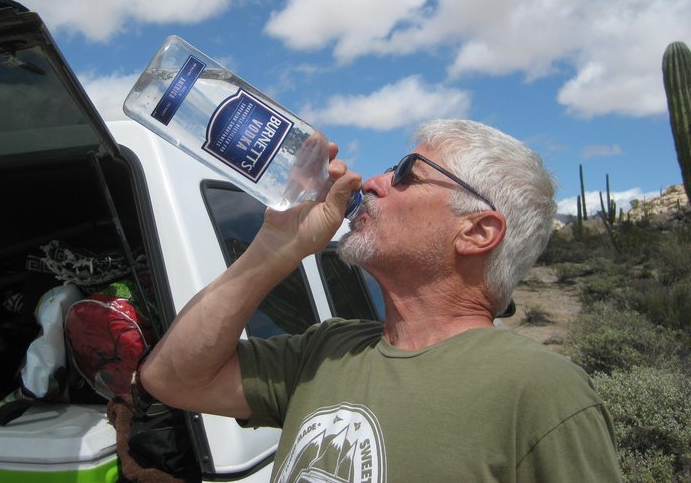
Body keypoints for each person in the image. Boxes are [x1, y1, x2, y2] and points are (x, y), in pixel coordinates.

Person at [140, 119, 622, 482]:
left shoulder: (540, 389)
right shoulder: (327, 349)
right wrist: (274, 249)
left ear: (477, 232)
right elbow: (172, 378)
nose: (372, 182)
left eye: (407, 173)